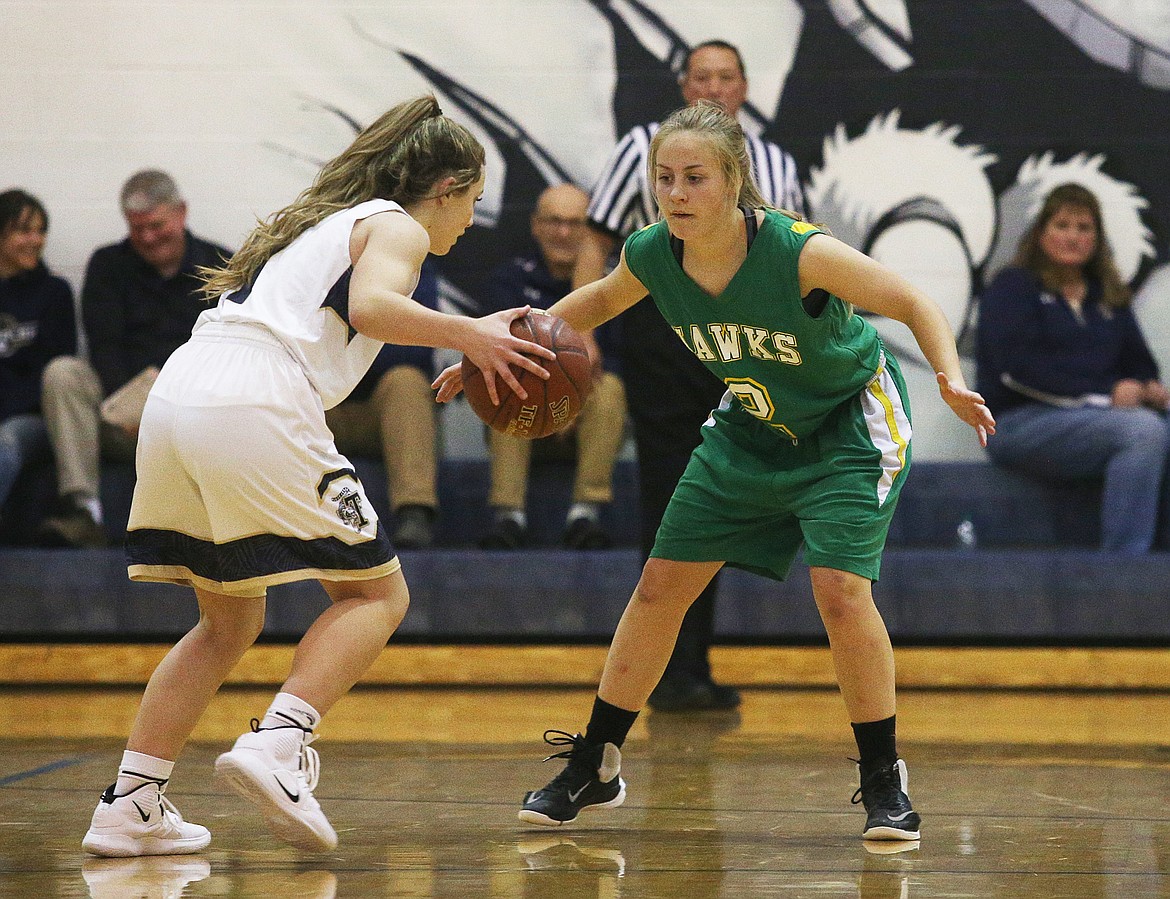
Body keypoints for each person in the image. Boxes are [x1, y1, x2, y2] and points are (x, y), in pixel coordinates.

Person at [435, 100, 994, 840]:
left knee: (839, 590)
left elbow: (911, 298)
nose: (675, 193)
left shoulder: (800, 251)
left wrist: (950, 377)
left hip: (846, 428)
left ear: (732, 182)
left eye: (693, 177)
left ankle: (882, 776)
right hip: (752, 424)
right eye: (664, 178)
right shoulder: (652, 253)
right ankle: (595, 762)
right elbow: (589, 306)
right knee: (661, 585)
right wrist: (494, 346)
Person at [81, 95, 555, 858]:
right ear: (443, 191)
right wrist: (469, 331)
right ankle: (278, 742)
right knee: (378, 594)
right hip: (256, 394)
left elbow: (350, 315)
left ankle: (130, 801)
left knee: (227, 621)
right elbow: (372, 308)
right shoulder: (396, 224)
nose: (469, 221)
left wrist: (452, 347)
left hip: (180, 392)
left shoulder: (324, 222)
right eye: (470, 202)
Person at [577, 39, 805, 710]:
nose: (712, 86)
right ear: (683, 85)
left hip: (751, 336)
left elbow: (796, 256)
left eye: (725, 76)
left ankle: (693, 664)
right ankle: (670, 670)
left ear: (744, 86)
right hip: (665, 329)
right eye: (700, 75)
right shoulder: (642, 146)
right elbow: (595, 236)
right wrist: (576, 329)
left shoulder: (778, 163)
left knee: (730, 497)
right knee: (674, 495)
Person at [38, 170, 232, 548]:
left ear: (181, 213)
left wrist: (163, 402)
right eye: (137, 228)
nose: (147, 237)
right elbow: (104, 346)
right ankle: (83, 511)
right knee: (64, 373)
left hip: (194, 412)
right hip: (121, 412)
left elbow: (227, 350)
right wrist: (133, 407)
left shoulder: (221, 263)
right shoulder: (108, 264)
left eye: (156, 225)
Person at [977, 182, 1170, 553]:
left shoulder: (1106, 294)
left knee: (1153, 425)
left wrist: (1147, 385)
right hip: (1020, 424)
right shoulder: (1014, 286)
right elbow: (1013, 372)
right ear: (1041, 233)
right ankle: (1123, 568)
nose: (1073, 237)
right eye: (1062, 225)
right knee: (1142, 431)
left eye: (1084, 228)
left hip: (1095, 423)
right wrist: (1105, 395)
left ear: (1097, 238)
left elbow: (1139, 360)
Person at [477, 183, 627, 550]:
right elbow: (494, 354)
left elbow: (625, 361)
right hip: (523, 417)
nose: (563, 233)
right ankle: (509, 517)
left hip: (590, 422)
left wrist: (571, 397)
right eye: (554, 221)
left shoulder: (616, 286)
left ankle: (585, 513)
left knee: (611, 388)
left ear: (590, 230)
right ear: (535, 225)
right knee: (506, 379)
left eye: (575, 224)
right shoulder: (507, 281)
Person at [326, 258, 442, 549]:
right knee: (281, 389)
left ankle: (414, 511)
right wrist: (378, 331)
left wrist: (347, 339)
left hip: (382, 413)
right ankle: (277, 525)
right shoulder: (313, 263)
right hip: (321, 408)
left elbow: (416, 352)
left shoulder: (408, 264)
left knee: (407, 381)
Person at [0, 190, 77, 528]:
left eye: (41, 230)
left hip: (32, 418)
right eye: (24, 230)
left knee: (6, 441)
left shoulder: (54, 293)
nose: (36, 240)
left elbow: (56, 372)